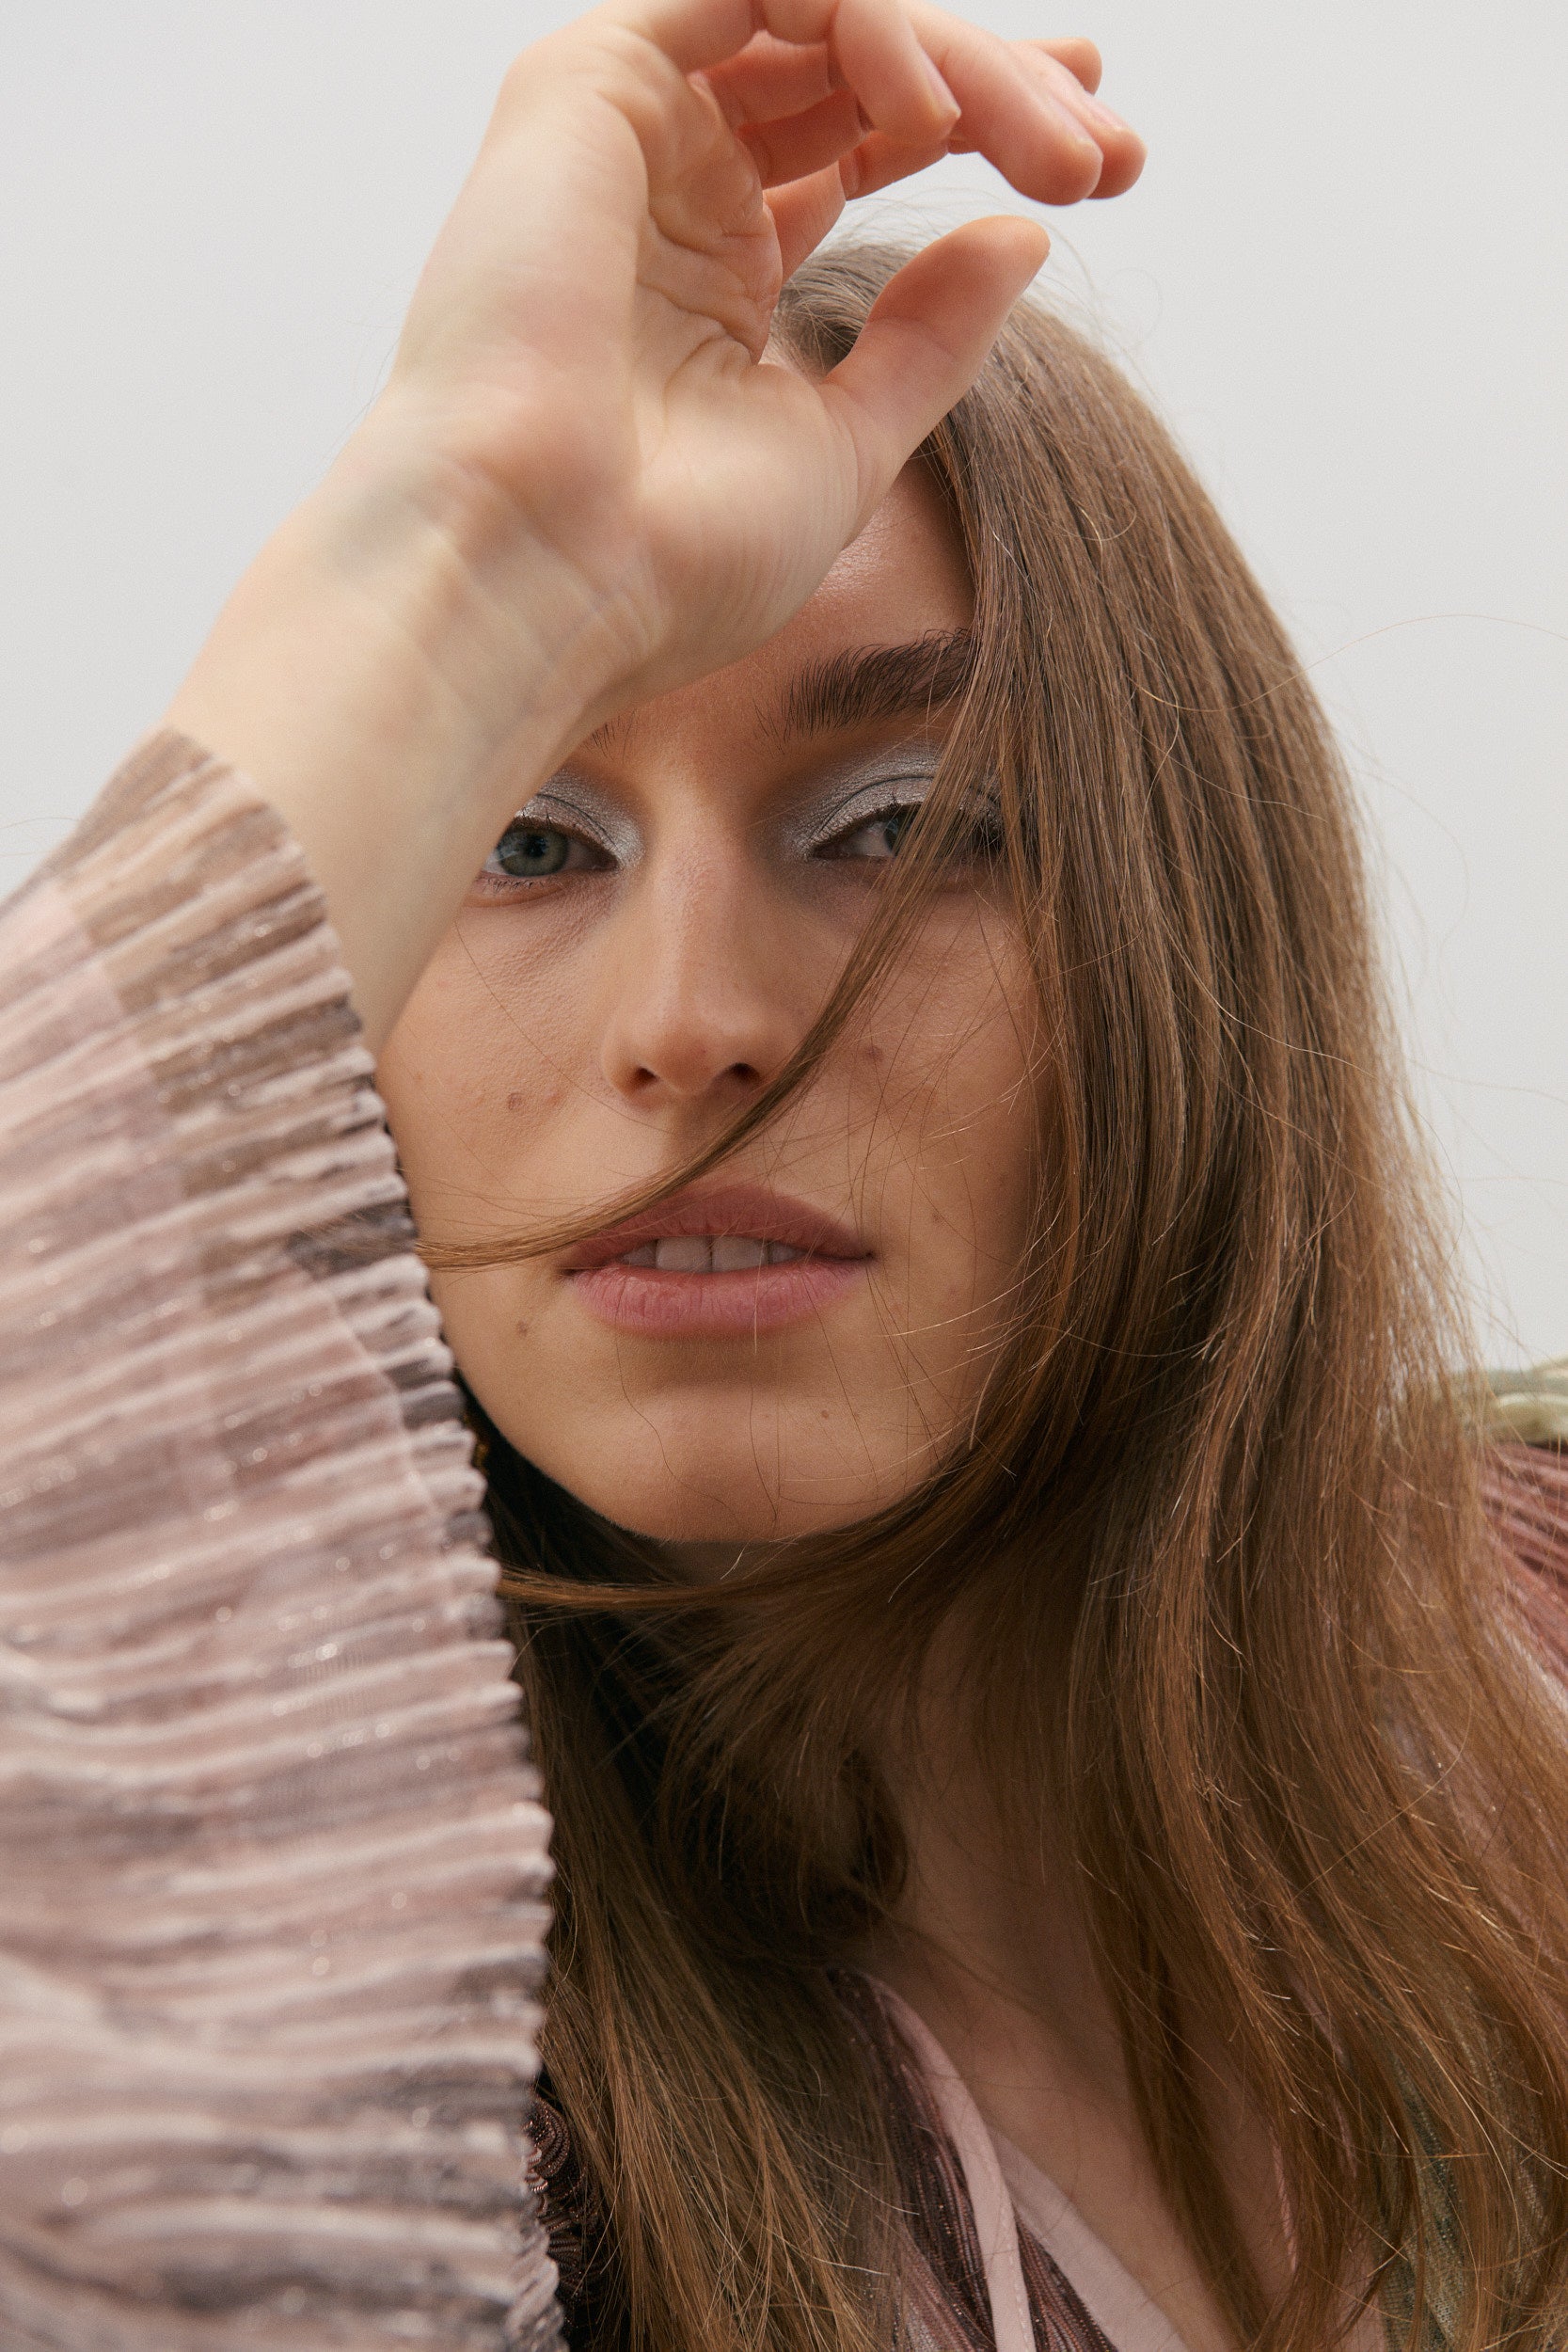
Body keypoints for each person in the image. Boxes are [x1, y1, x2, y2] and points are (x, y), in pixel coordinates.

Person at [0, 4, 1563, 2349]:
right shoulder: (373, 2112)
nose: (691, 1012)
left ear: (1187, 929)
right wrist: (458, 551)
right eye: (523, 833)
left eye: (894, 829)